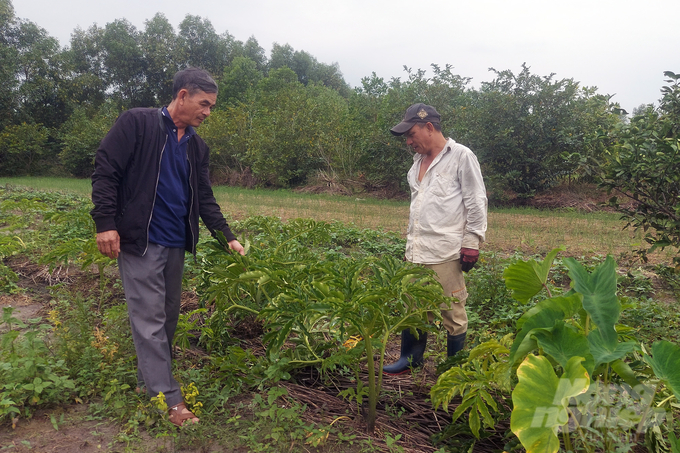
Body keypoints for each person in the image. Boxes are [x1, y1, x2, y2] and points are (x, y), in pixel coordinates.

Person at [90, 67, 245, 426]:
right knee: (150, 320)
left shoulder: (197, 146)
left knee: (168, 316)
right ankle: (169, 399)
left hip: (176, 242)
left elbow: (204, 198)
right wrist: (105, 223)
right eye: (203, 104)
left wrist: (228, 237)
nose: (208, 112)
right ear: (182, 96)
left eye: (212, 106)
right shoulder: (137, 124)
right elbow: (106, 170)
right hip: (140, 240)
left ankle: (152, 381)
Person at [383, 103, 487, 375]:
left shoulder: (462, 156)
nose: (408, 141)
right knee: (414, 306)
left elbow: (476, 201)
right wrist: (410, 245)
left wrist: (472, 241)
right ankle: (411, 359)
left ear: (429, 127)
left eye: (411, 134)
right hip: (418, 249)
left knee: (452, 311)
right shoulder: (417, 162)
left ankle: (454, 370)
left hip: (446, 251)